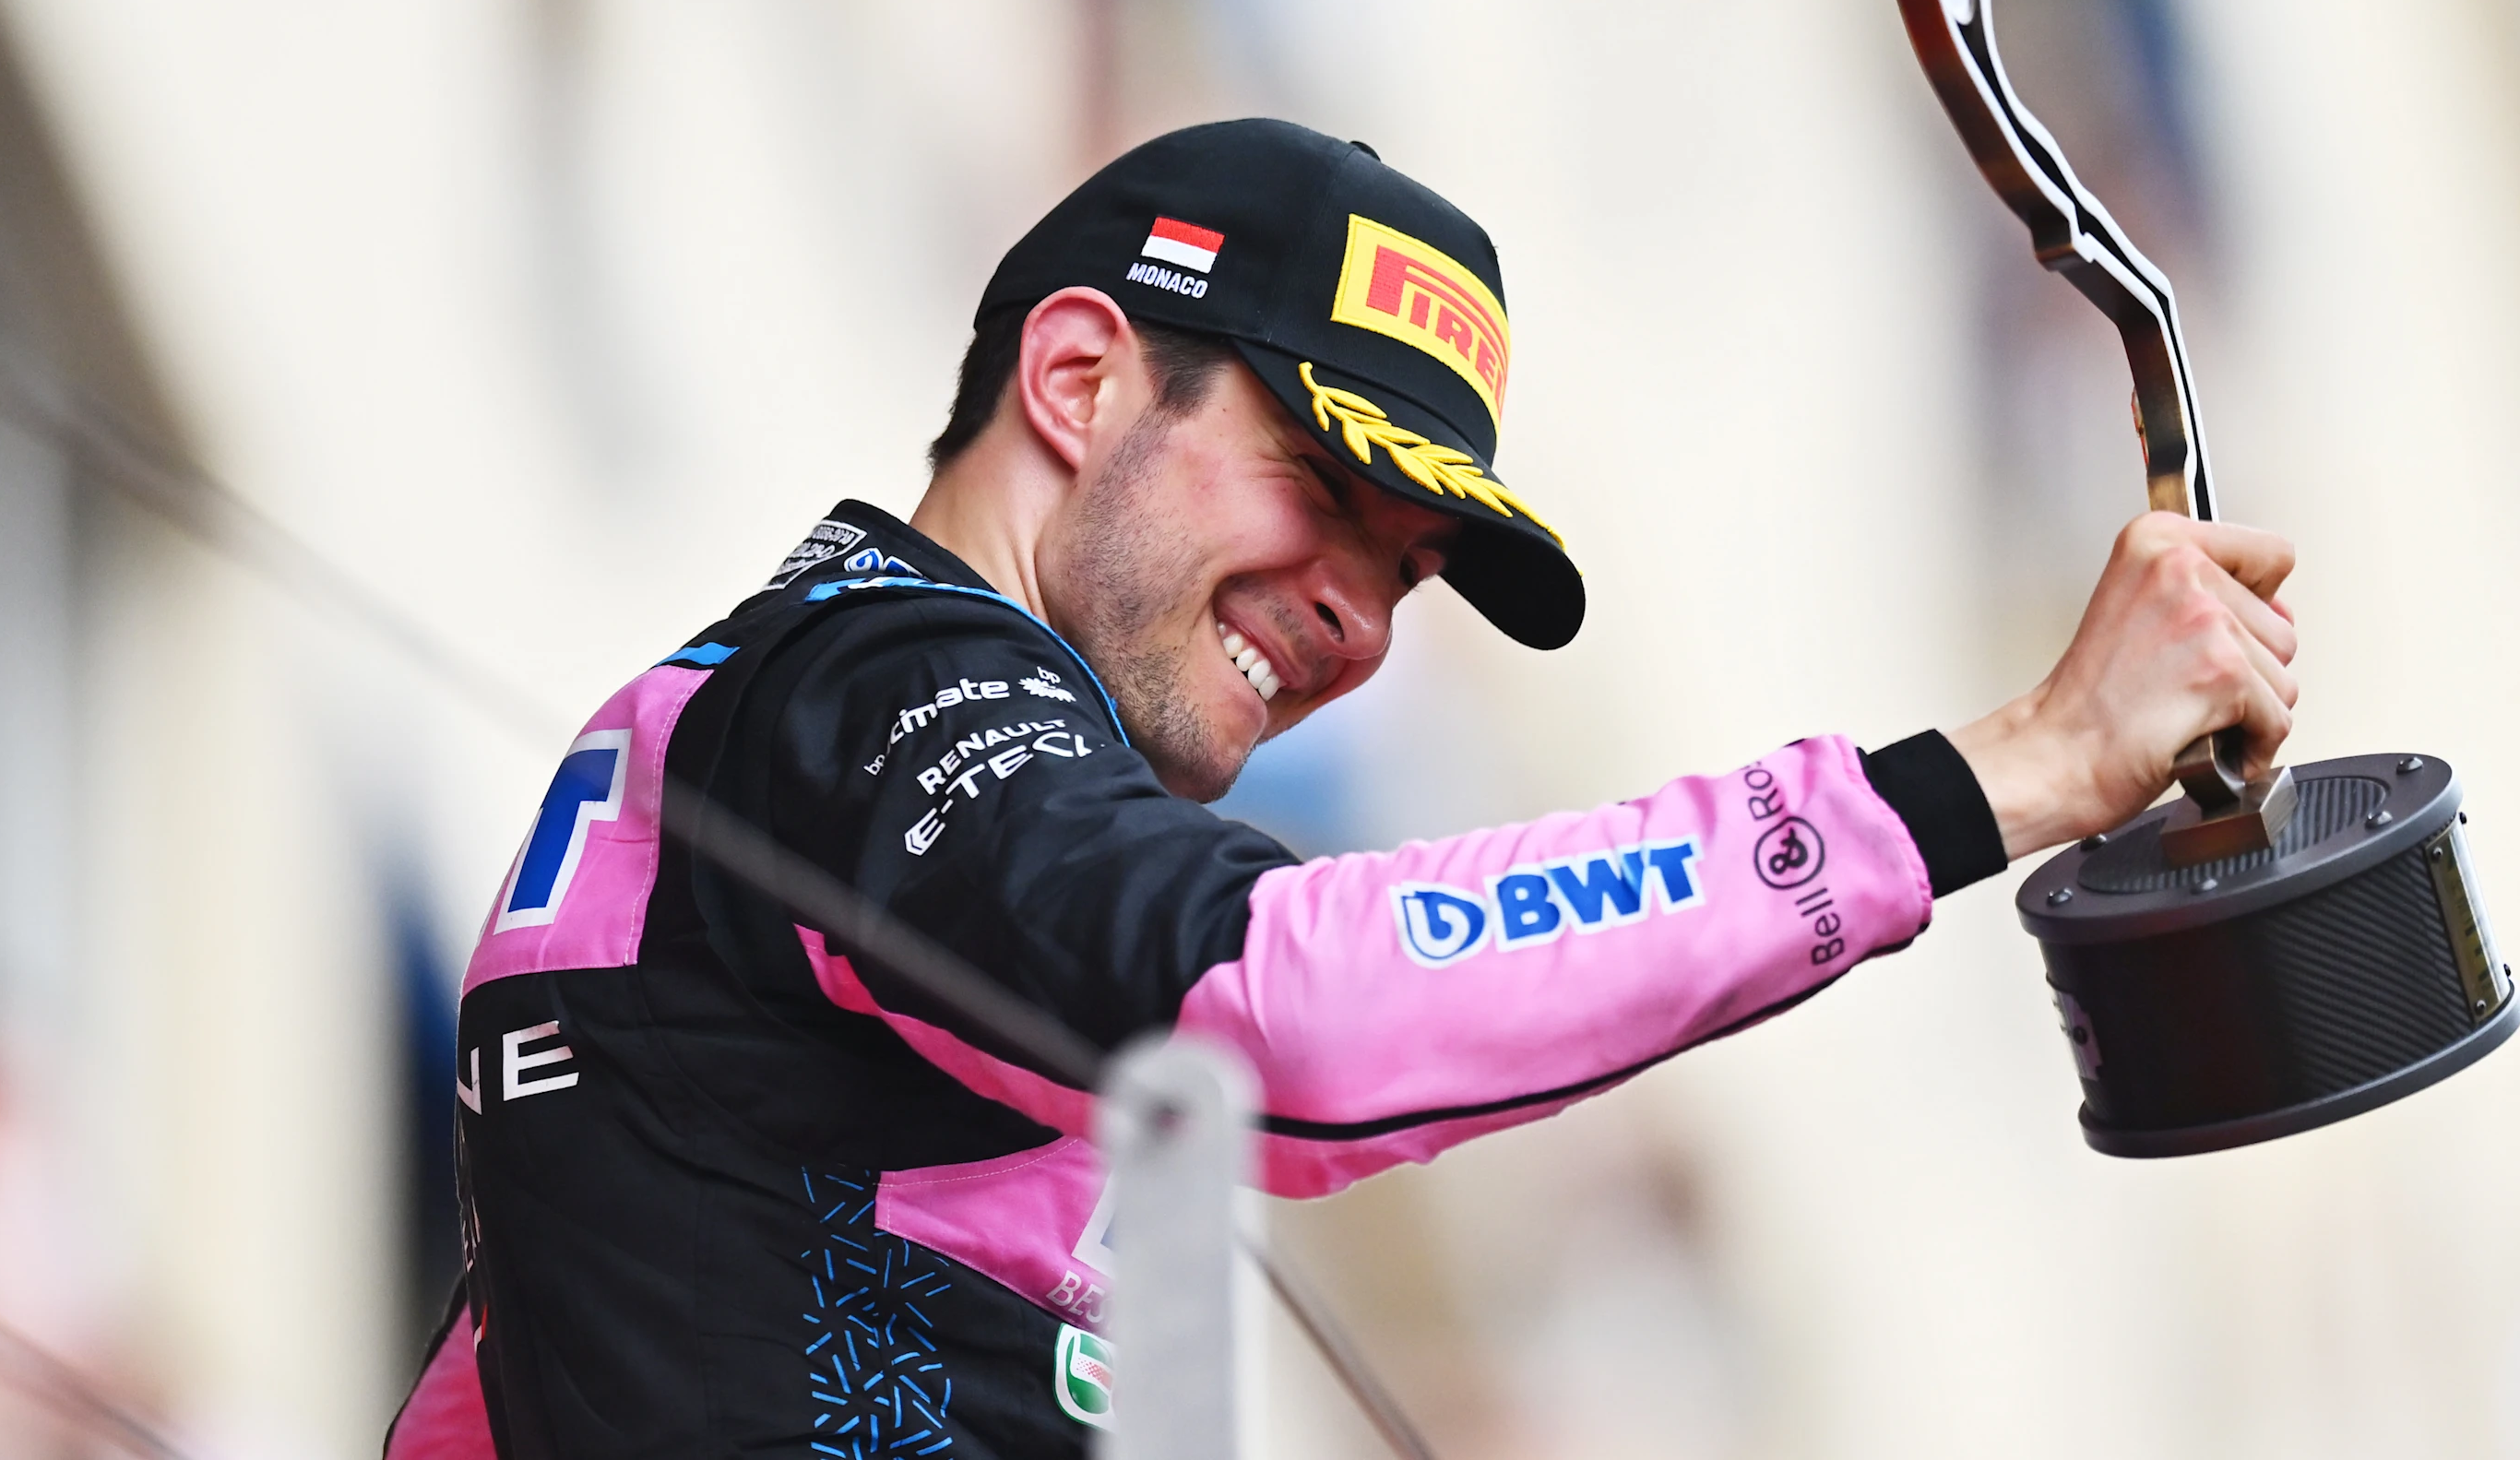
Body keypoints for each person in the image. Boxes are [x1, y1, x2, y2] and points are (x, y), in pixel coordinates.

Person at [383, 119, 2297, 1459]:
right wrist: (2013, 769)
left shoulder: (751, 725)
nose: (1352, 621)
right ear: (1077, 380)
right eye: (1322, 493)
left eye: (1400, 575)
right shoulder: (893, 685)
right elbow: (1281, 1008)